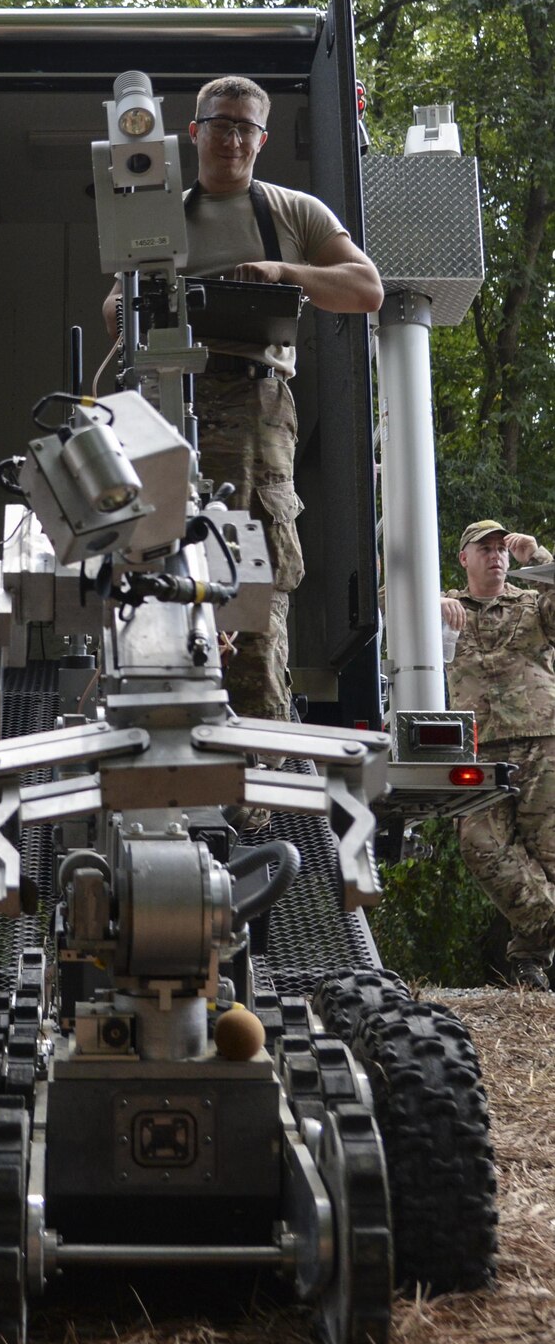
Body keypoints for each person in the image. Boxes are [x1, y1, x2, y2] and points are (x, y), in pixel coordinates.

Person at [104, 74, 383, 720]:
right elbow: (115, 312)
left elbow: (364, 288)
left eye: (244, 128)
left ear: (260, 139)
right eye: (219, 124)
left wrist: (281, 274)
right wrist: (151, 305)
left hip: (254, 407)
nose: (231, 138)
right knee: (152, 565)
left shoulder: (291, 210)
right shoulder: (158, 212)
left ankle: (256, 787)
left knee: (249, 579)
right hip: (163, 404)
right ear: (194, 132)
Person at [442, 519, 555, 990]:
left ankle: (530, 958)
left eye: (501, 548)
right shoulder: (445, 606)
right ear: (464, 558)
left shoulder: (532, 601)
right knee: (481, 845)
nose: (495, 555)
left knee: (548, 853)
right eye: (483, 549)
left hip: (541, 736)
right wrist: (432, 601)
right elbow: (386, 598)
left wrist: (541, 560)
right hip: (476, 744)